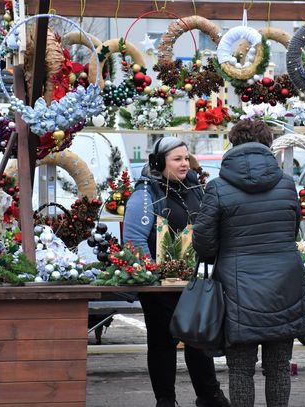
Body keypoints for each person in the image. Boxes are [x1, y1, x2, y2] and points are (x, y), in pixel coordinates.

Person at [192, 119, 305, 407]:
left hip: (237, 288)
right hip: (285, 287)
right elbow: (292, 230)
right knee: (278, 367)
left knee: (240, 370)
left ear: (233, 144)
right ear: (268, 145)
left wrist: (220, 255)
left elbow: (203, 241)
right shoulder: (287, 186)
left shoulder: (217, 188)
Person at [123, 137, 230, 407]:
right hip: (161, 285)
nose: (184, 164)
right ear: (160, 163)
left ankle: (209, 395)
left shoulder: (196, 187)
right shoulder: (145, 193)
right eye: (177, 159)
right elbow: (134, 238)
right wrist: (152, 277)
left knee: (199, 338)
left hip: (196, 281)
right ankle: (166, 400)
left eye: (186, 158)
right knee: (161, 343)